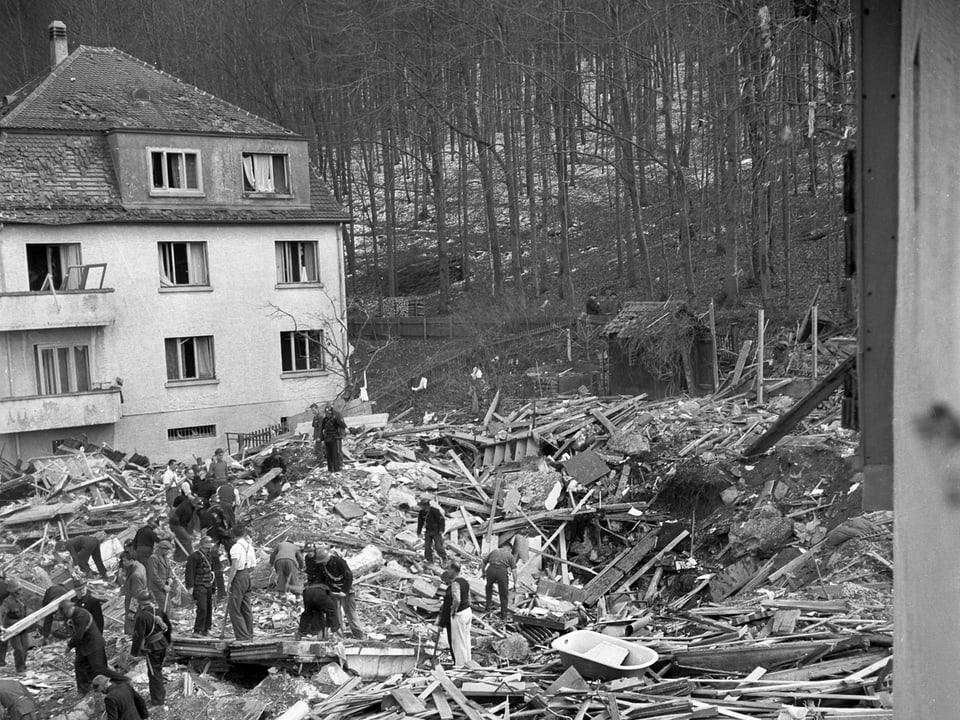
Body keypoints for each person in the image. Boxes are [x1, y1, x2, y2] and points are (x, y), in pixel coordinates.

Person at [61, 598, 128, 695]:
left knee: (100, 669)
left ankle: (124, 680)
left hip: (94, 644)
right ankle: (84, 691)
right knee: (79, 667)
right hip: (84, 646)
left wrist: (69, 646)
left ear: (70, 608)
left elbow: (79, 635)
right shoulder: (74, 615)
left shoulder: (80, 615)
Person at [311, 546, 364, 638]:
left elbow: (349, 576)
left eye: (323, 561)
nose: (322, 563)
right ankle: (339, 636)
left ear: (327, 557)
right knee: (335, 613)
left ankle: (359, 635)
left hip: (346, 590)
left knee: (350, 612)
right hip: (333, 591)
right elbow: (321, 578)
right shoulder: (322, 565)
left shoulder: (339, 562)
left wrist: (344, 591)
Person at [130, 590, 171, 707]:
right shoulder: (158, 611)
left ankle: (158, 701)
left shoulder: (142, 617)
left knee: (154, 673)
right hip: (162, 644)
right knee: (158, 670)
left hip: (153, 647)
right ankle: (161, 695)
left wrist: (134, 652)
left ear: (140, 603)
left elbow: (138, 636)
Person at [185, 536, 224, 636]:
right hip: (199, 585)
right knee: (202, 608)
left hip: (208, 585)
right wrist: (190, 587)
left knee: (208, 608)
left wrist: (213, 587)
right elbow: (189, 573)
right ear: (202, 546)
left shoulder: (210, 556)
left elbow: (212, 573)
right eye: (206, 547)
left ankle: (206, 629)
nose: (208, 549)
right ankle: (197, 630)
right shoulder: (194, 557)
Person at [226, 524, 256, 641]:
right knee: (246, 607)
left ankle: (242, 636)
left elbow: (234, 566)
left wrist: (229, 582)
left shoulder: (235, 548)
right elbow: (253, 565)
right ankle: (249, 633)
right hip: (247, 575)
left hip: (238, 576)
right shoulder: (250, 547)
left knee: (234, 608)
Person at [438, 564, 472, 667]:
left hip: (459, 614)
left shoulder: (455, 584)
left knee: (458, 642)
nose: (448, 571)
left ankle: (460, 666)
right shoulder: (465, 581)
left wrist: (453, 610)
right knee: (466, 639)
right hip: (467, 611)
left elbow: (457, 599)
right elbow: (468, 597)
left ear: (453, 570)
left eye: (449, 569)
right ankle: (468, 663)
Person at [482, 542, 517, 620]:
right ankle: (503, 616)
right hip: (502, 571)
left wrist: (483, 572)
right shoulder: (510, 555)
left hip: (491, 569)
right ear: (509, 548)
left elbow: (484, 562)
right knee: (503, 594)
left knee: (488, 588)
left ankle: (487, 609)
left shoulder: (494, 551)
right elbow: (514, 571)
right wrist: (515, 583)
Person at [0, 580, 29, 672]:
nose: (20, 592)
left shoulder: (21, 599)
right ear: (14, 591)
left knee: (25, 647)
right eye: (18, 590)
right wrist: (1, 625)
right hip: (12, 629)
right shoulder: (8, 601)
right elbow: (1, 612)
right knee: (19, 649)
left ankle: (23, 665)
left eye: (21, 589)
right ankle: (19, 668)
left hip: (23, 626)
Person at [119, 551, 147, 636]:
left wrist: (132, 611)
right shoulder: (140, 565)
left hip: (134, 600)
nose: (123, 563)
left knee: (131, 622)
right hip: (141, 597)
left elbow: (136, 594)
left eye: (125, 561)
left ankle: (131, 638)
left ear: (131, 560)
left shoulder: (135, 574)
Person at [416, 498, 447, 565]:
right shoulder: (421, 513)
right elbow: (420, 522)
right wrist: (418, 532)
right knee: (427, 547)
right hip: (428, 531)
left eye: (422, 506)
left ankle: (444, 558)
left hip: (436, 531)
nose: (421, 507)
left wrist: (441, 529)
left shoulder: (434, 511)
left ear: (426, 505)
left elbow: (441, 520)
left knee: (438, 546)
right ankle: (429, 560)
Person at [168, 496, 200, 561]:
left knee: (180, 542)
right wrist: (188, 533)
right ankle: (191, 557)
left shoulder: (188, 503)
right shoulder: (188, 510)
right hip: (176, 525)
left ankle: (178, 559)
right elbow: (184, 523)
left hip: (175, 523)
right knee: (187, 540)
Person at [319, 406, 348, 472]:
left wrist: (342, 434)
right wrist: (321, 439)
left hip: (334, 438)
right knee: (329, 454)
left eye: (329, 413)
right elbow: (322, 429)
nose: (327, 415)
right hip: (327, 439)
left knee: (335, 454)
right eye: (326, 413)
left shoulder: (335, 418)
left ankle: (337, 468)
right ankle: (330, 469)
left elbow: (343, 425)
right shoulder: (325, 420)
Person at [145, 540, 172, 610]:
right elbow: (154, 575)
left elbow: (169, 568)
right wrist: (163, 586)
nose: (168, 552)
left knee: (168, 606)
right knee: (164, 606)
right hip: (157, 587)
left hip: (166, 584)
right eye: (166, 550)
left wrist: (170, 577)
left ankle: (167, 619)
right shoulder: (153, 558)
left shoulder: (165, 557)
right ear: (161, 549)